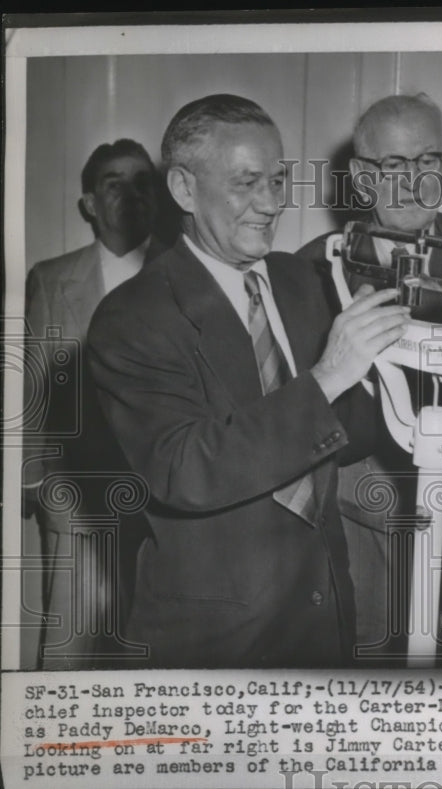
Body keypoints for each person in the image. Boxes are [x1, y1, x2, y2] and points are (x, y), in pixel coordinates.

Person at [87, 94, 409, 668]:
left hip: (324, 621)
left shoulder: (300, 279)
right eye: (246, 183)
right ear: (184, 190)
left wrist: (408, 374)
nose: (270, 204)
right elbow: (184, 470)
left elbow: (346, 433)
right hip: (214, 640)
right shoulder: (131, 316)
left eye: (279, 181)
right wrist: (329, 374)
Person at [296, 94, 442, 659]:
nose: (414, 181)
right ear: (361, 178)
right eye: (394, 166)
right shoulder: (311, 266)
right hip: (358, 509)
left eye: (429, 160)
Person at [23, 138, 163, 668]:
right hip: (80, 504)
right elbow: (30, 389)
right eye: (113, 183)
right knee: (75, 658)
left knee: (153, 659)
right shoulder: (53, 280)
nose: (130, 195)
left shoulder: (185, 274)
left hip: (166, 510)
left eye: (142, 182)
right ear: (88, 202)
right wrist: (41, 485)